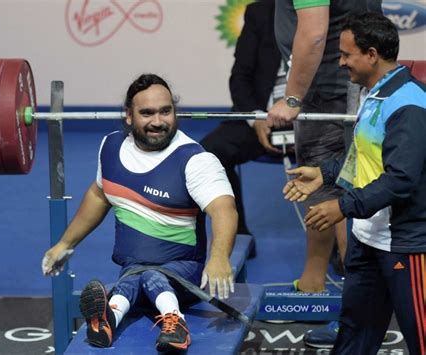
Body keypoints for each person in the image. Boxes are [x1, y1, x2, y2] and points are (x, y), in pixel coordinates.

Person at [41, 74, 238, 351]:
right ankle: (107, 319)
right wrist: (65, 244)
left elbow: (224, 209)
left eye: (165, 111)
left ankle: (176, 323)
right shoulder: (111, 147)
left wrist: (219, 257)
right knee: (131, 281)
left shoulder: (196, 160)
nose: (158, 121)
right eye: (147, 113)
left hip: (184, 273)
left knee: (150, 276)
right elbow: (99, 195)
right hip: (133, 266)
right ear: (129, 116)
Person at [283, 12, 426, 354]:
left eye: (347, 54)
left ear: (372, 54)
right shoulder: (371, 93)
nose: (341, 62)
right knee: (354, 337)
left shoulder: (410, 104)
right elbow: (363, 157)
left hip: (405, 245)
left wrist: (342, 206)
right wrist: (325, 174)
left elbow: (400, 180)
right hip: (366, 240)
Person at [201, 0, 283, 239]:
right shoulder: (260, 12)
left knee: (333, 155)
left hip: (313, 121)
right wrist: (256, 119)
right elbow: (240, 76)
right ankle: (237, 235)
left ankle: (336, 247)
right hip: (261, 117)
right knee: (209, 154)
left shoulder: (330, 15)